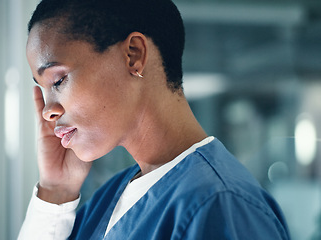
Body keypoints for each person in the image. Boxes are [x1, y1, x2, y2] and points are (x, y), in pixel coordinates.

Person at [18, 0, 290, 239]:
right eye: (42, 89)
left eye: (58, 80)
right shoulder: (108, 200)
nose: (47, 111)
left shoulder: (222, 206)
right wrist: (56, 191)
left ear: (134, 55)